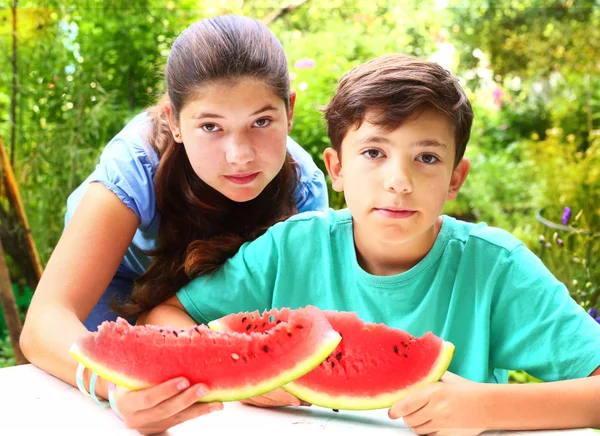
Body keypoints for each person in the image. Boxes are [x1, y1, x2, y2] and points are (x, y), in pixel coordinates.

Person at [142, 53, 600, 434]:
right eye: (374, 153)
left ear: (455, 178)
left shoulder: (495, 269)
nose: (398, 182)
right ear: (336, 168)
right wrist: (240, 370)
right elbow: (164, 316)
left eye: (426, 157)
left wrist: (487, 407)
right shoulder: (291, 248)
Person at [20, 14, 328, 435]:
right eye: (210, 126)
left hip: (204, 305)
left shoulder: (305, 190)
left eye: (261, 122)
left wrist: (243, 362)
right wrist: (114, 387)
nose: (240, 155)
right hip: (110, 293)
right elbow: (43, 324)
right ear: (174, 120)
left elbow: (290, 329)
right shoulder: (134, 164)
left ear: (289, 110)